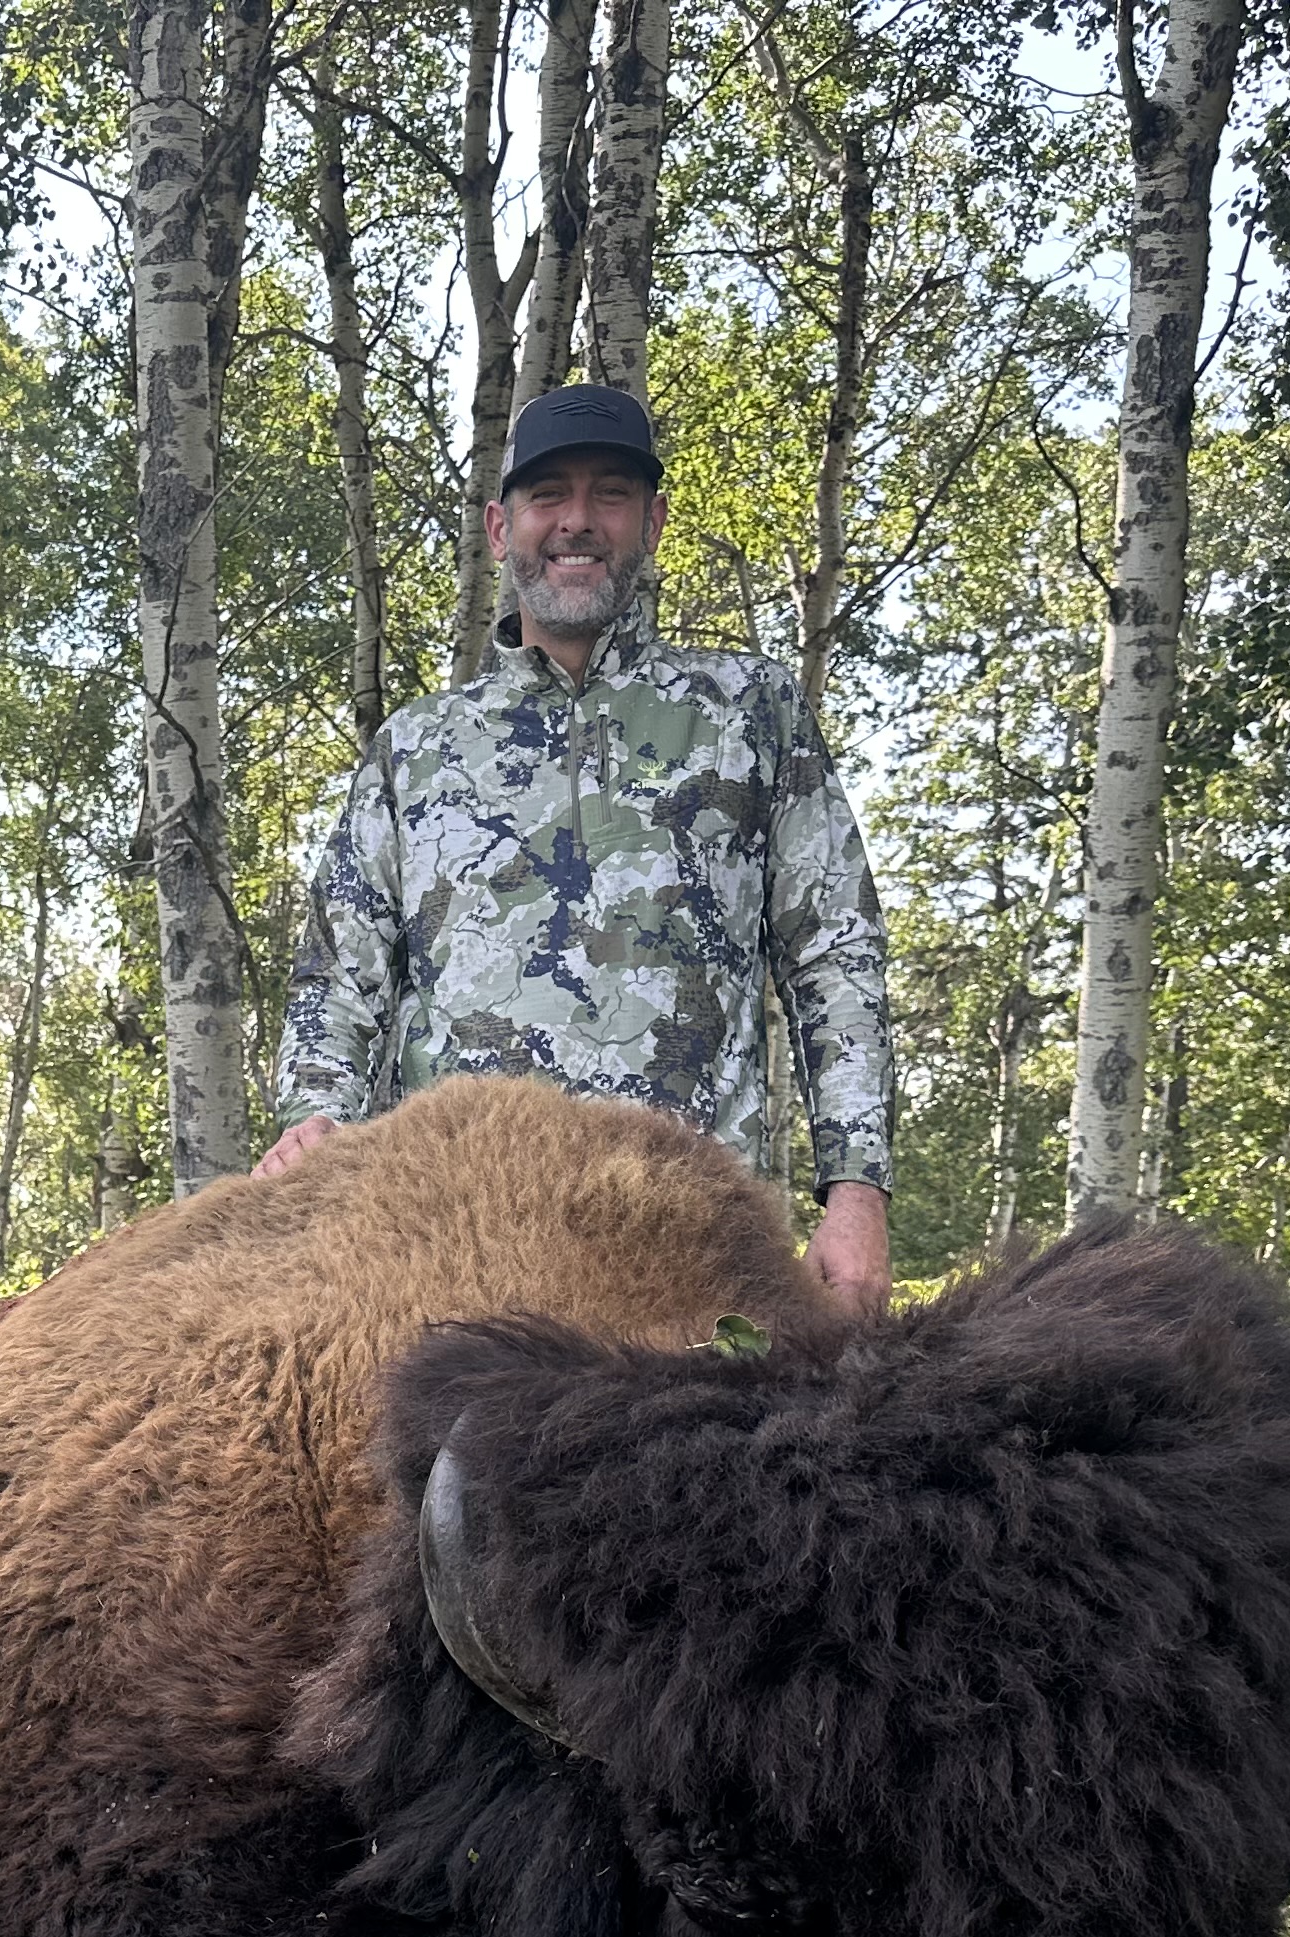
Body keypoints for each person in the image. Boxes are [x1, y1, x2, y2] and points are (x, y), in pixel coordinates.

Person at [256, 384, 896, 1310]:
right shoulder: (415, 747)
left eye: (611, 495)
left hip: (687, 1249)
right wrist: (316, 1117)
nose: (578, 522)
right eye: (548, 494)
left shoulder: (750, 714)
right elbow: (338, 977)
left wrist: (857, 1189)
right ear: (499, 526)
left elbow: (835, 955)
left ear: (654, 521)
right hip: (448, 1246)